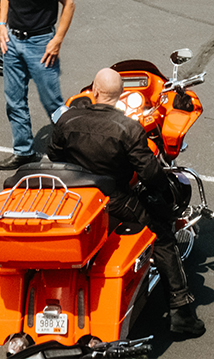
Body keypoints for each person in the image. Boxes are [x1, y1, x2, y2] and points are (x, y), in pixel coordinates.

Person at [47, 67, 205, 339]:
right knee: (163, 234)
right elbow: (150, 173)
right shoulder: (128, 128)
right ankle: (182, 312)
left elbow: (53, 154)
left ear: (94, 92)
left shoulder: (68, 120)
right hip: (115, 201)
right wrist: (164, 195)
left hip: (75, 201)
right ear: (120, 95)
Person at [0, 0, 75, 171]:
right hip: (13, 43)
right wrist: (1, 24)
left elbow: (69, 3)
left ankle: (74, 150)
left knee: (53, 103)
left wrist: (57, 39)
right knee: (14, 100)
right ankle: (23, 151)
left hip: (40, 43)